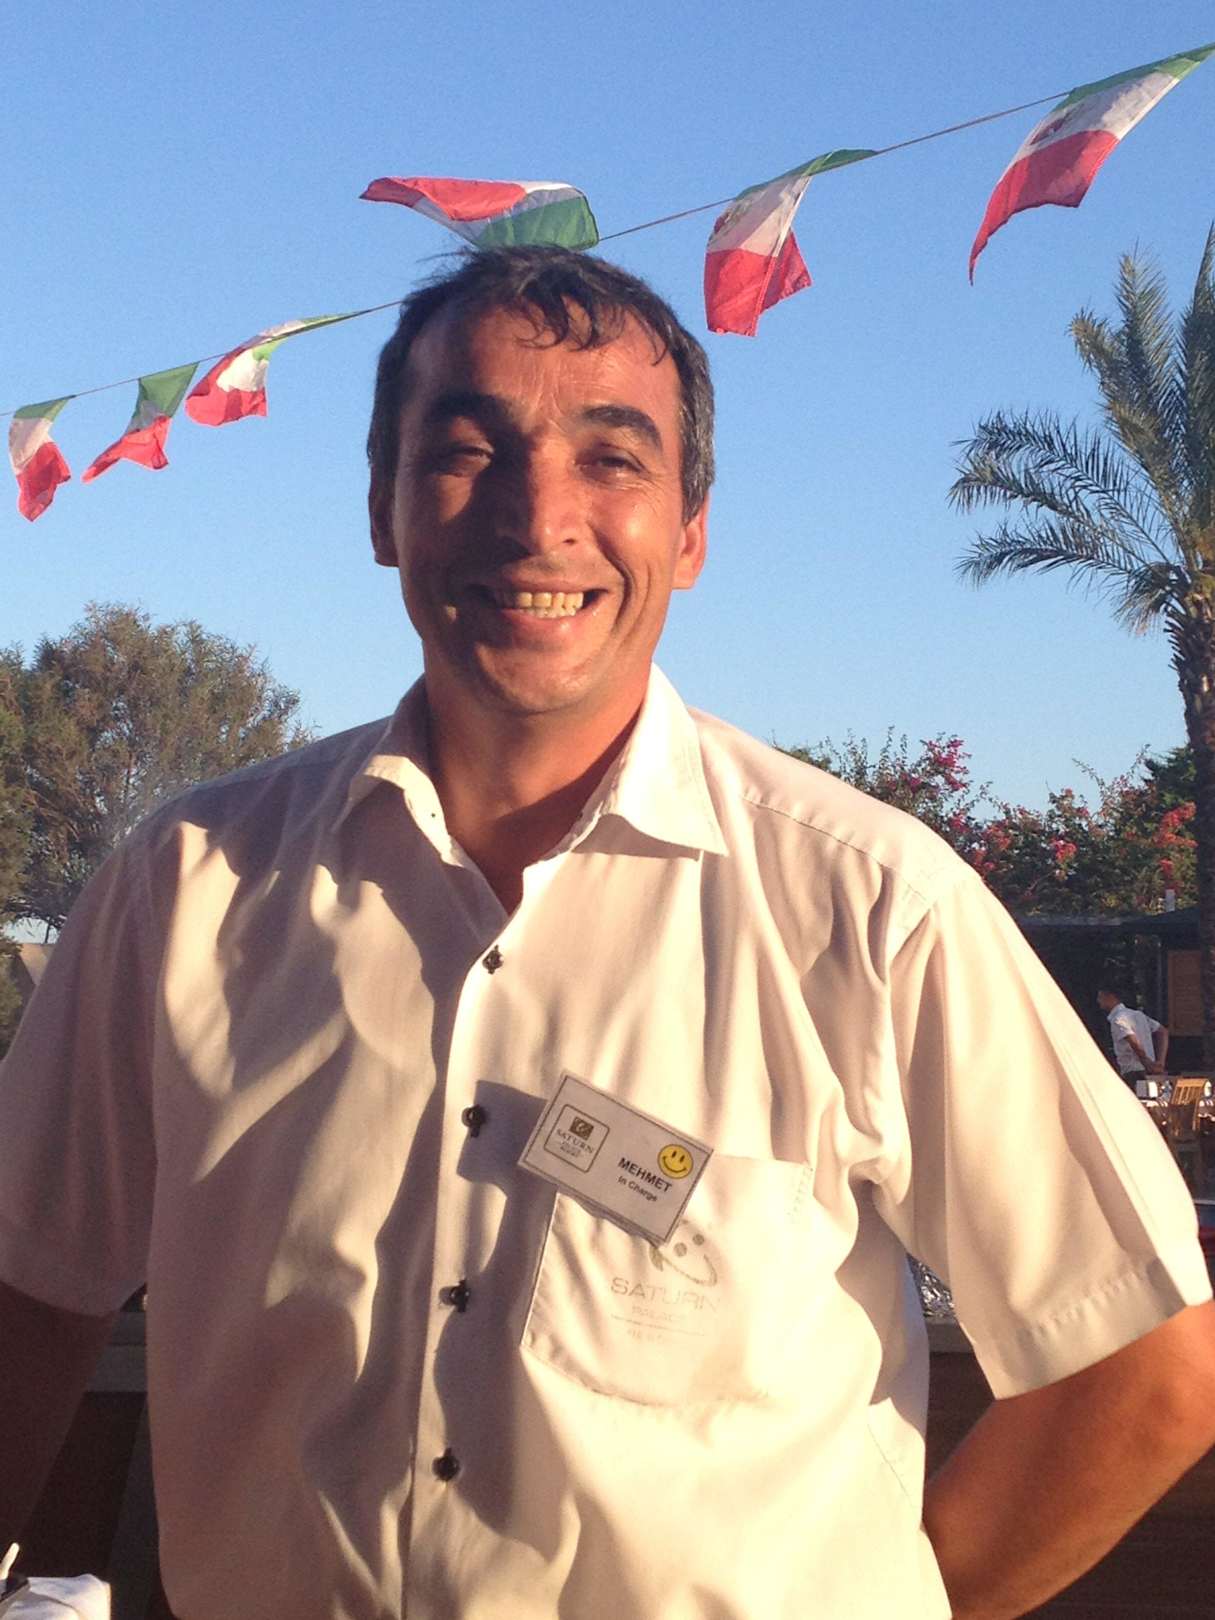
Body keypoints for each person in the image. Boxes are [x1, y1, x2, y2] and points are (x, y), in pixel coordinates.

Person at [2, 246, 1214, 1620]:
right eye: (468, 451)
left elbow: (1146, 1367)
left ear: (689, 532)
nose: (538, 518)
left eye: (611, 458)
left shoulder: (871, 908)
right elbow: (27, 1291)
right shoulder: (186, 889)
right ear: (384, 506)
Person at [1097, 985, 1169, 1092]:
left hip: (1133, 1072)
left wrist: (1146, 1061)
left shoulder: (1118, 1019)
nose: (1098, 1001)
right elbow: (1162, 1031)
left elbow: (1132, 1040)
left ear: (1111, 997)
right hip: (1150, 1070)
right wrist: (1160, 1062)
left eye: (1101, 997)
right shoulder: (1138, 1015)